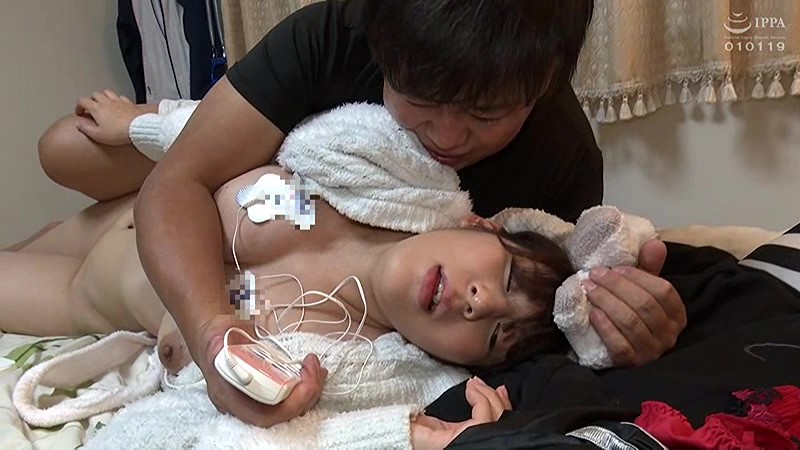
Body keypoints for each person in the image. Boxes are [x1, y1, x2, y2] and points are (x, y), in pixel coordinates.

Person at [35, 0, 686, 427]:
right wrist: (211, 331)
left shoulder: (559, 164)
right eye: (419, 96)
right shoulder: (335, 36)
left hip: (127, 285)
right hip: (217, 200)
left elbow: (544, 322)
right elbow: (180, 183)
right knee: (64, 147)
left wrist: (632, 332)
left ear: (544, 85)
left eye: (485, 114)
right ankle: (167, 124)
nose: (447, 137)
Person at [1, 159, 575, 449]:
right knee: (59, 151)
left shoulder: (359, 369)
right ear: (482, 226)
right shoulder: (375, 173)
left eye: (495, 335)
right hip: (122, 209)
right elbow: (213, 138)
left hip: (84, 296)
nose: (480, 303)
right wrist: (145, 120)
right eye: (504, 275)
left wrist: (461, 438)